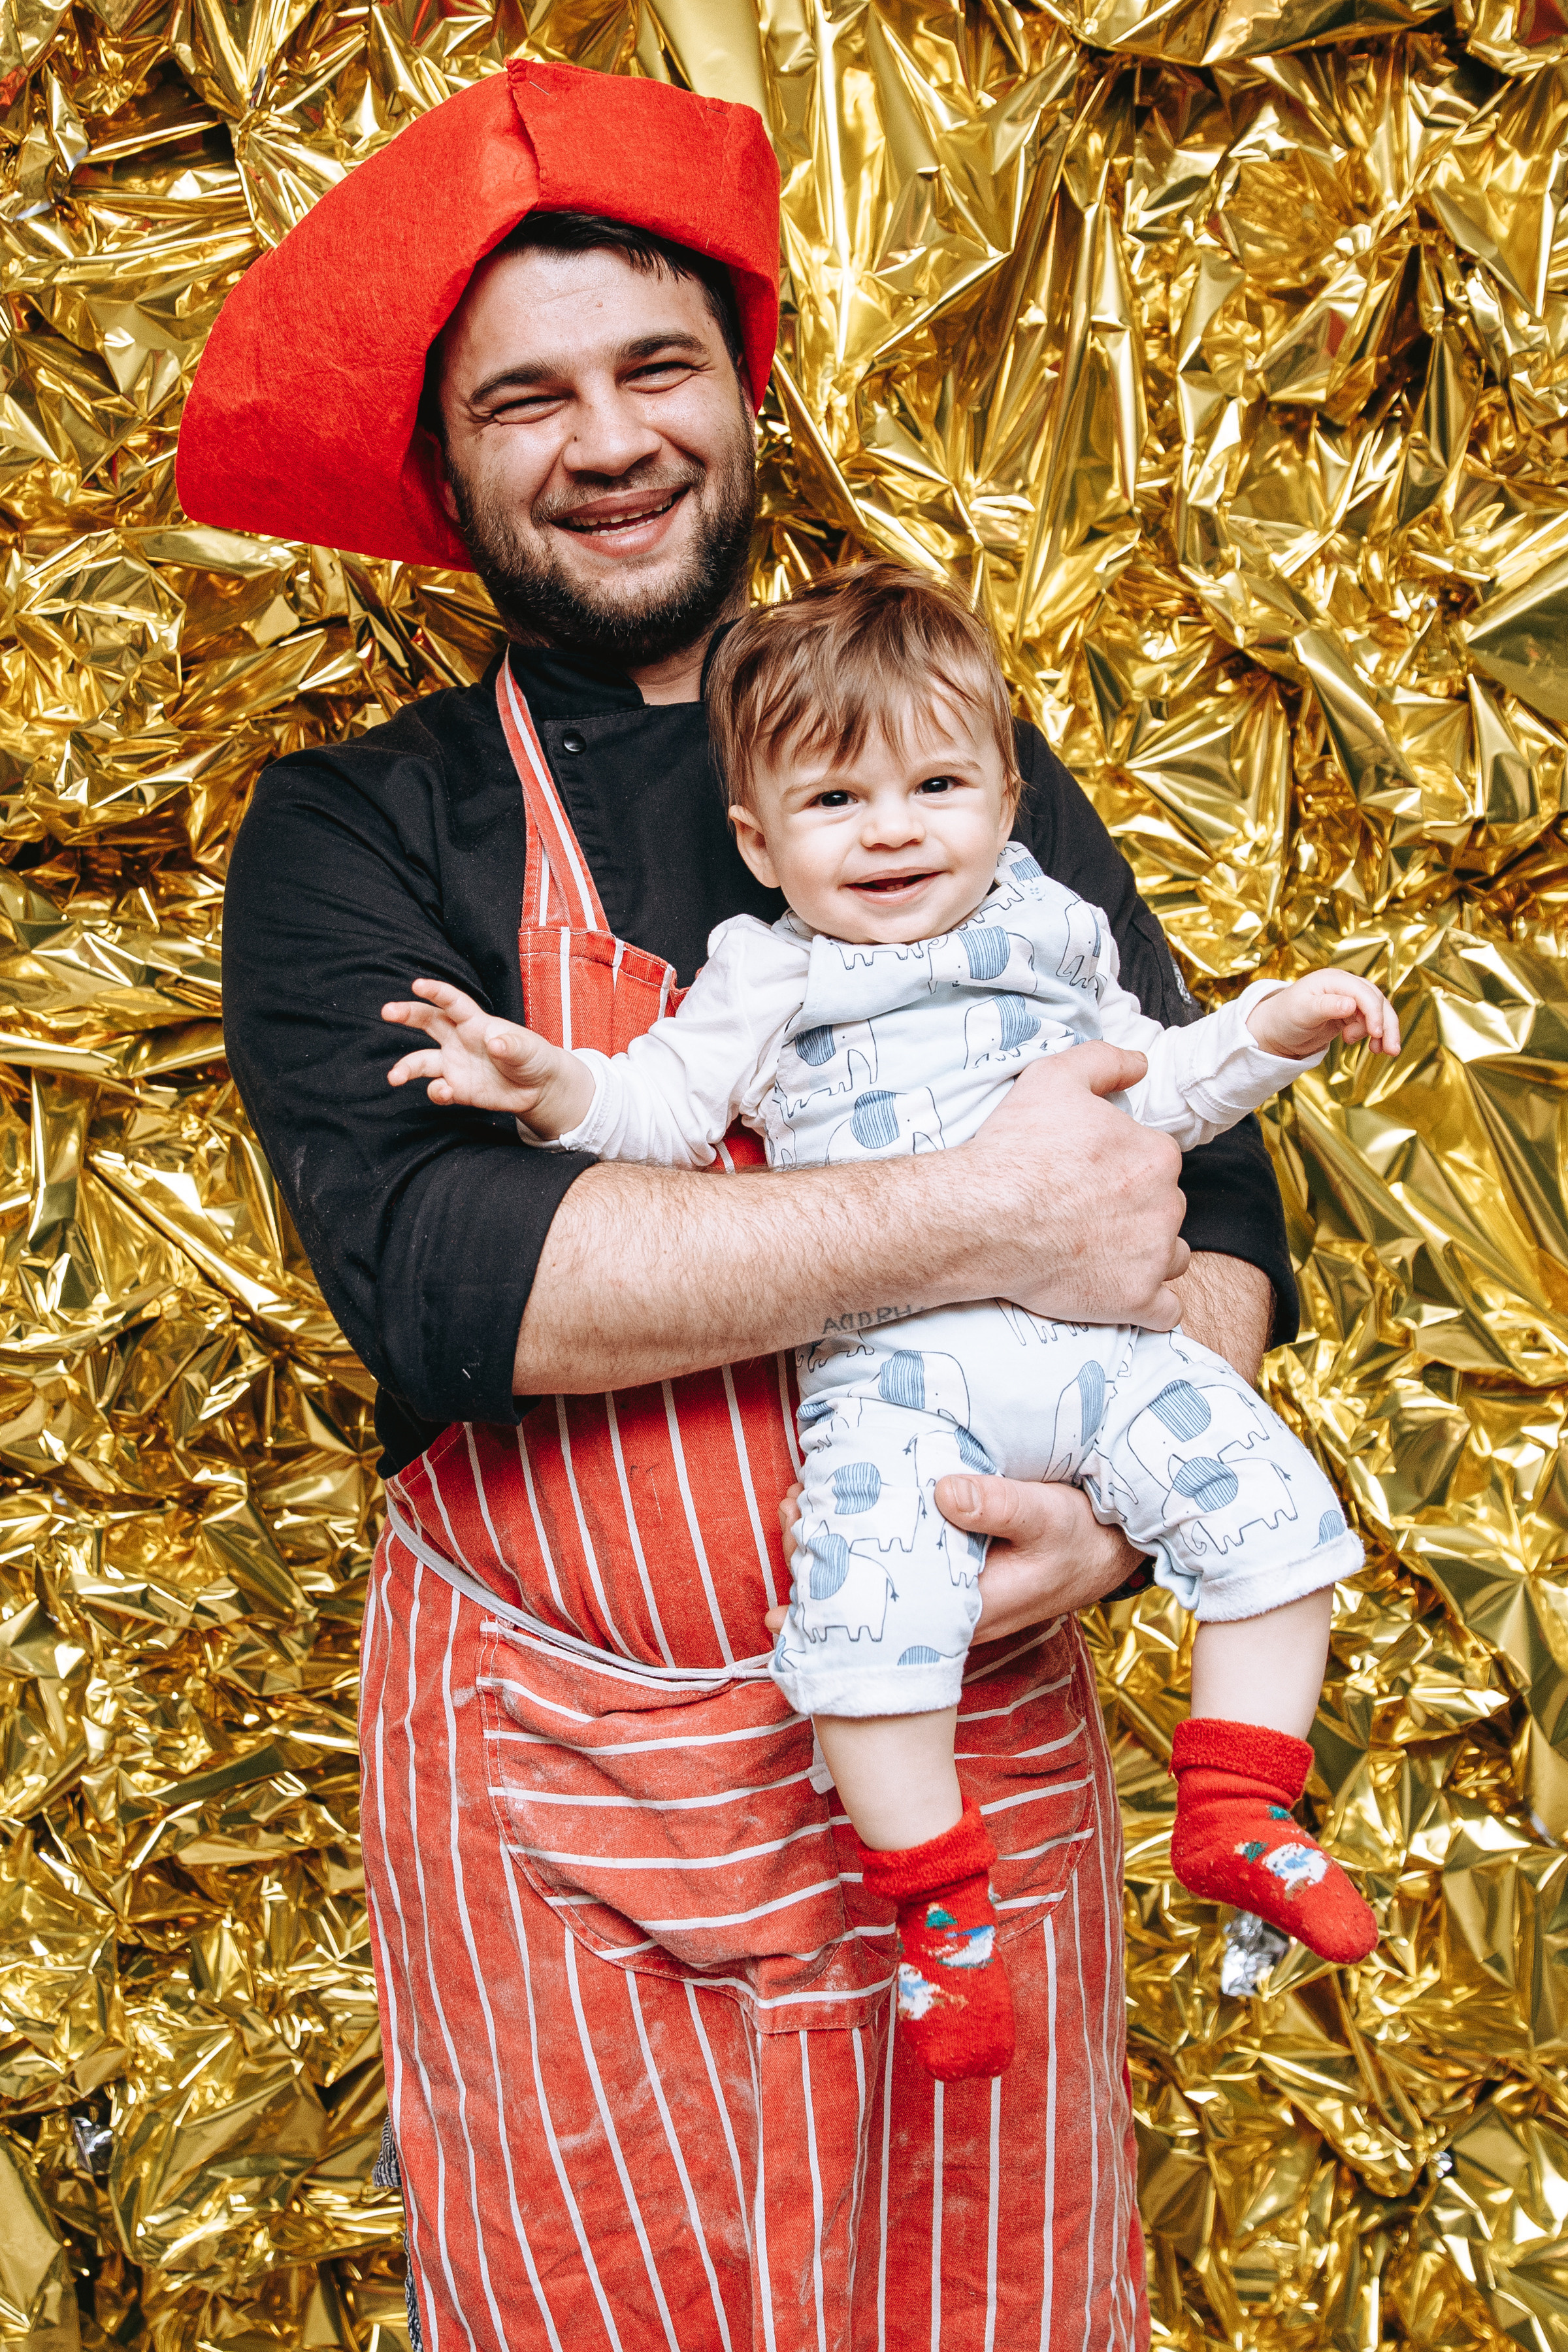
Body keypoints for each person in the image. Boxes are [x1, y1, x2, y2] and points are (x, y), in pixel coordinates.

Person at [183, 57, 1311, 2352]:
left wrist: (1121, 1511)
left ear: (744, 391)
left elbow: (1216, 1211)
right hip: (571, 1792)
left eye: (656, 367)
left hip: (967, 1731)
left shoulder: (946, 757)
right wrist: (983, 1209)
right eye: (528, 399)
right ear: (444, 465)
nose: (607, 439)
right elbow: (455, 1285)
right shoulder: (356, 830)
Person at [381, 561, 1386, 2084]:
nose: (896, 827)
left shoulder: (1056, 933)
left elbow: (1163, 1092)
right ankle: (940, 1917)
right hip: (900, 1380)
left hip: (1101, 1358)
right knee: (870, 1635)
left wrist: (1270, 1031)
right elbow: (656, 1108)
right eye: (838, 803)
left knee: (1278, 1514)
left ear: (1005, 800)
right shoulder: (766, 972)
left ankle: (1240, 1801)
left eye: (937, 785)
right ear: (759, 842)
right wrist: (554, 1089)